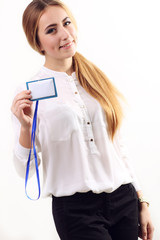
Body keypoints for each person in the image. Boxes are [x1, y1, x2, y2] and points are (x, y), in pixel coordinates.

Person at [11, 0, 154, 239]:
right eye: (51, 30)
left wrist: (142, 201)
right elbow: (24, 169)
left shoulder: (95, 78)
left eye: (66, 23)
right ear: (37, 43)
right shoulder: (29, 92)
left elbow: (118, 147)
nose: (65, 34)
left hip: (123, 200)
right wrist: (25, 129)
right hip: (76, 211)